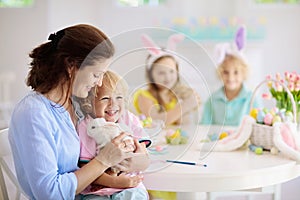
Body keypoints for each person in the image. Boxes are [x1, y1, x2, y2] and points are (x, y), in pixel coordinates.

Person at [8, 24, 146, 200]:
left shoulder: (77, 106)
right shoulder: (33, 113)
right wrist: (104, 160)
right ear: (71, 66)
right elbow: (50, 194)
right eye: (96, 74)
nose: (99, 83)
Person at [76, 70, 150, 199]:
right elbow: (85, 167)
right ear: (89, 103)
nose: (113, 104)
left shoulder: (129, 119)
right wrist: (114, 182)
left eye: (119, 97)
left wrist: (132, 167)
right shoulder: (86, 126)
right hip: (96, 190)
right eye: (105, 98)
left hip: (130, 186)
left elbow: (143, 157)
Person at [133, 34, 200, 126]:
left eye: (171, 71)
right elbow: (156, 122)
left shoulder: (177, 94)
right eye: (161, 73)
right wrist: (185, 106)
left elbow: (186, 125)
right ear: (151, 75)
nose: (168, 77)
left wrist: (189, 102)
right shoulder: (144, 96)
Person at [201, 26, 260, 126]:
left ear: (244, 73)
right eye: (226, 72)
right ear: (220, 73)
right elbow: (204, 128)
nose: (231, 78)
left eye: (236, 72)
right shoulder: (212, 100)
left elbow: (259, 126)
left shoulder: (252, 99)